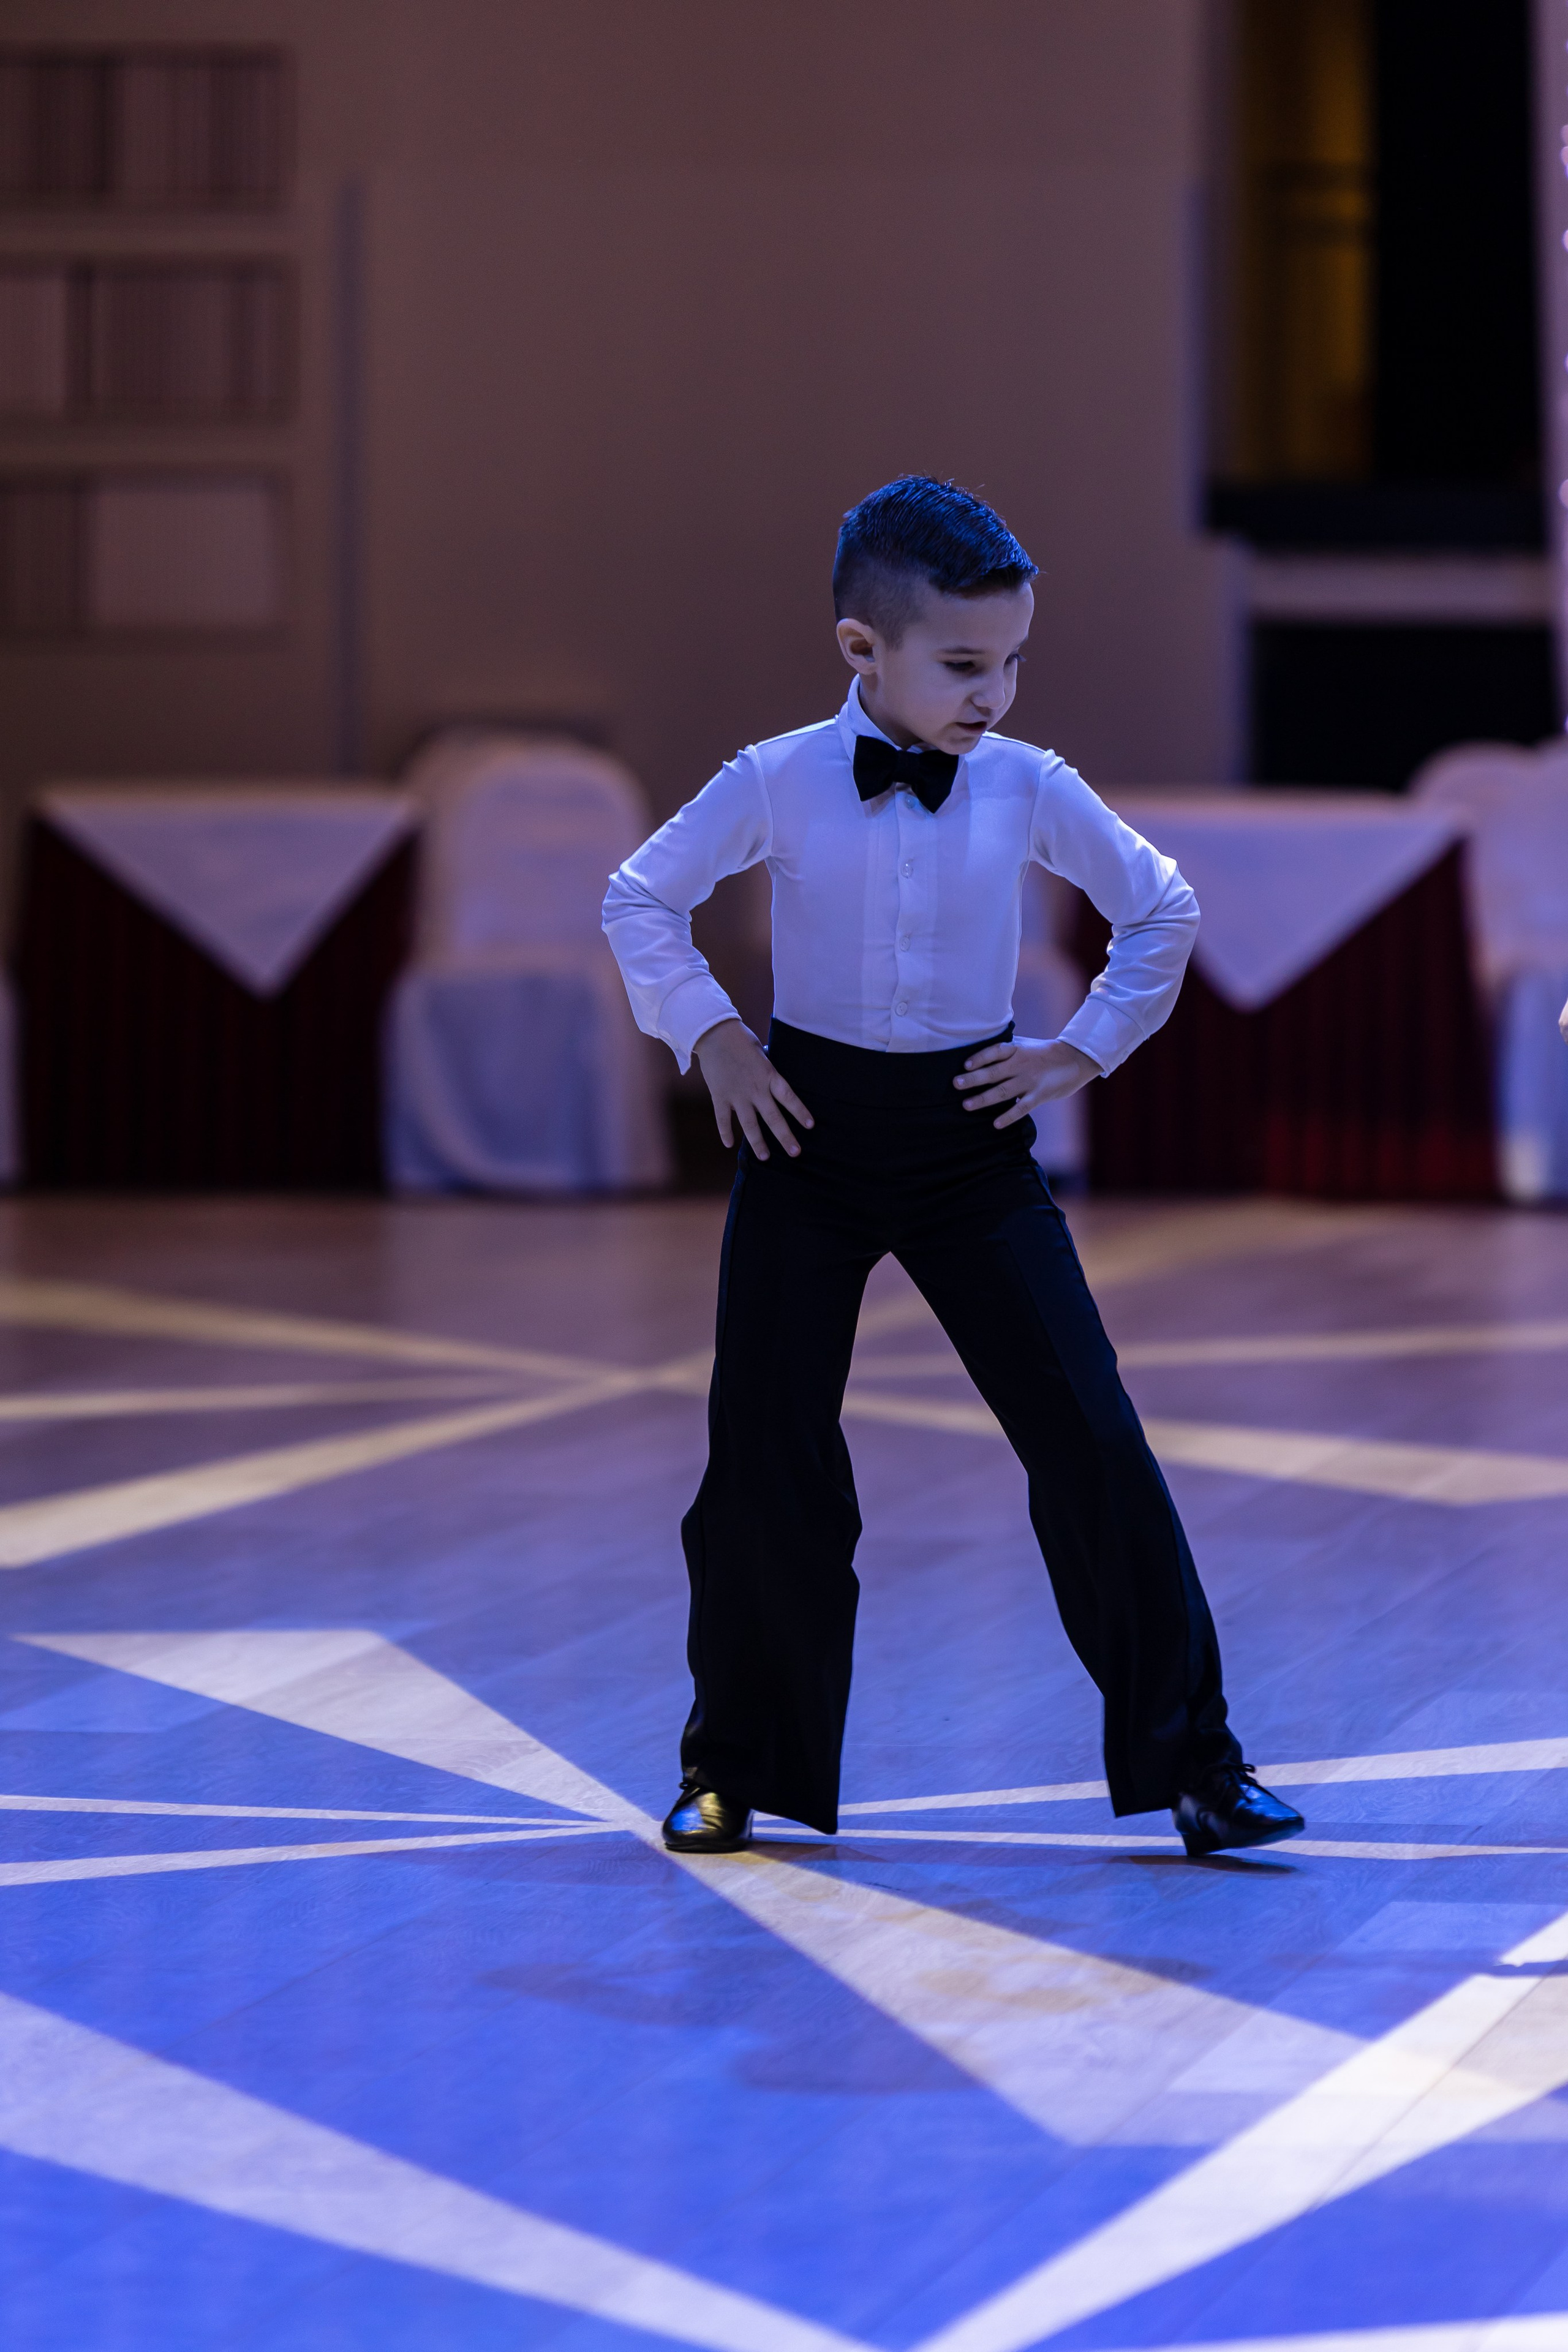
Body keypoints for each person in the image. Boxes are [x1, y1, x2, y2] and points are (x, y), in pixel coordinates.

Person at [602, 475, 1303, 1863]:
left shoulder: (1031, 786)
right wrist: (716, 1043)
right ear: (862, 650)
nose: (996, 694)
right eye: (966, 665)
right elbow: (640, 894)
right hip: (800, 1133)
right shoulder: (776, 775)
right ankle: (733, 1768)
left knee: (1090, 1440)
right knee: (764, 1457)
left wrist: (1082, 1048)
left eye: (1013, 662)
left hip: (969, 1141)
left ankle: (1196, 1768)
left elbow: (1160, 906)